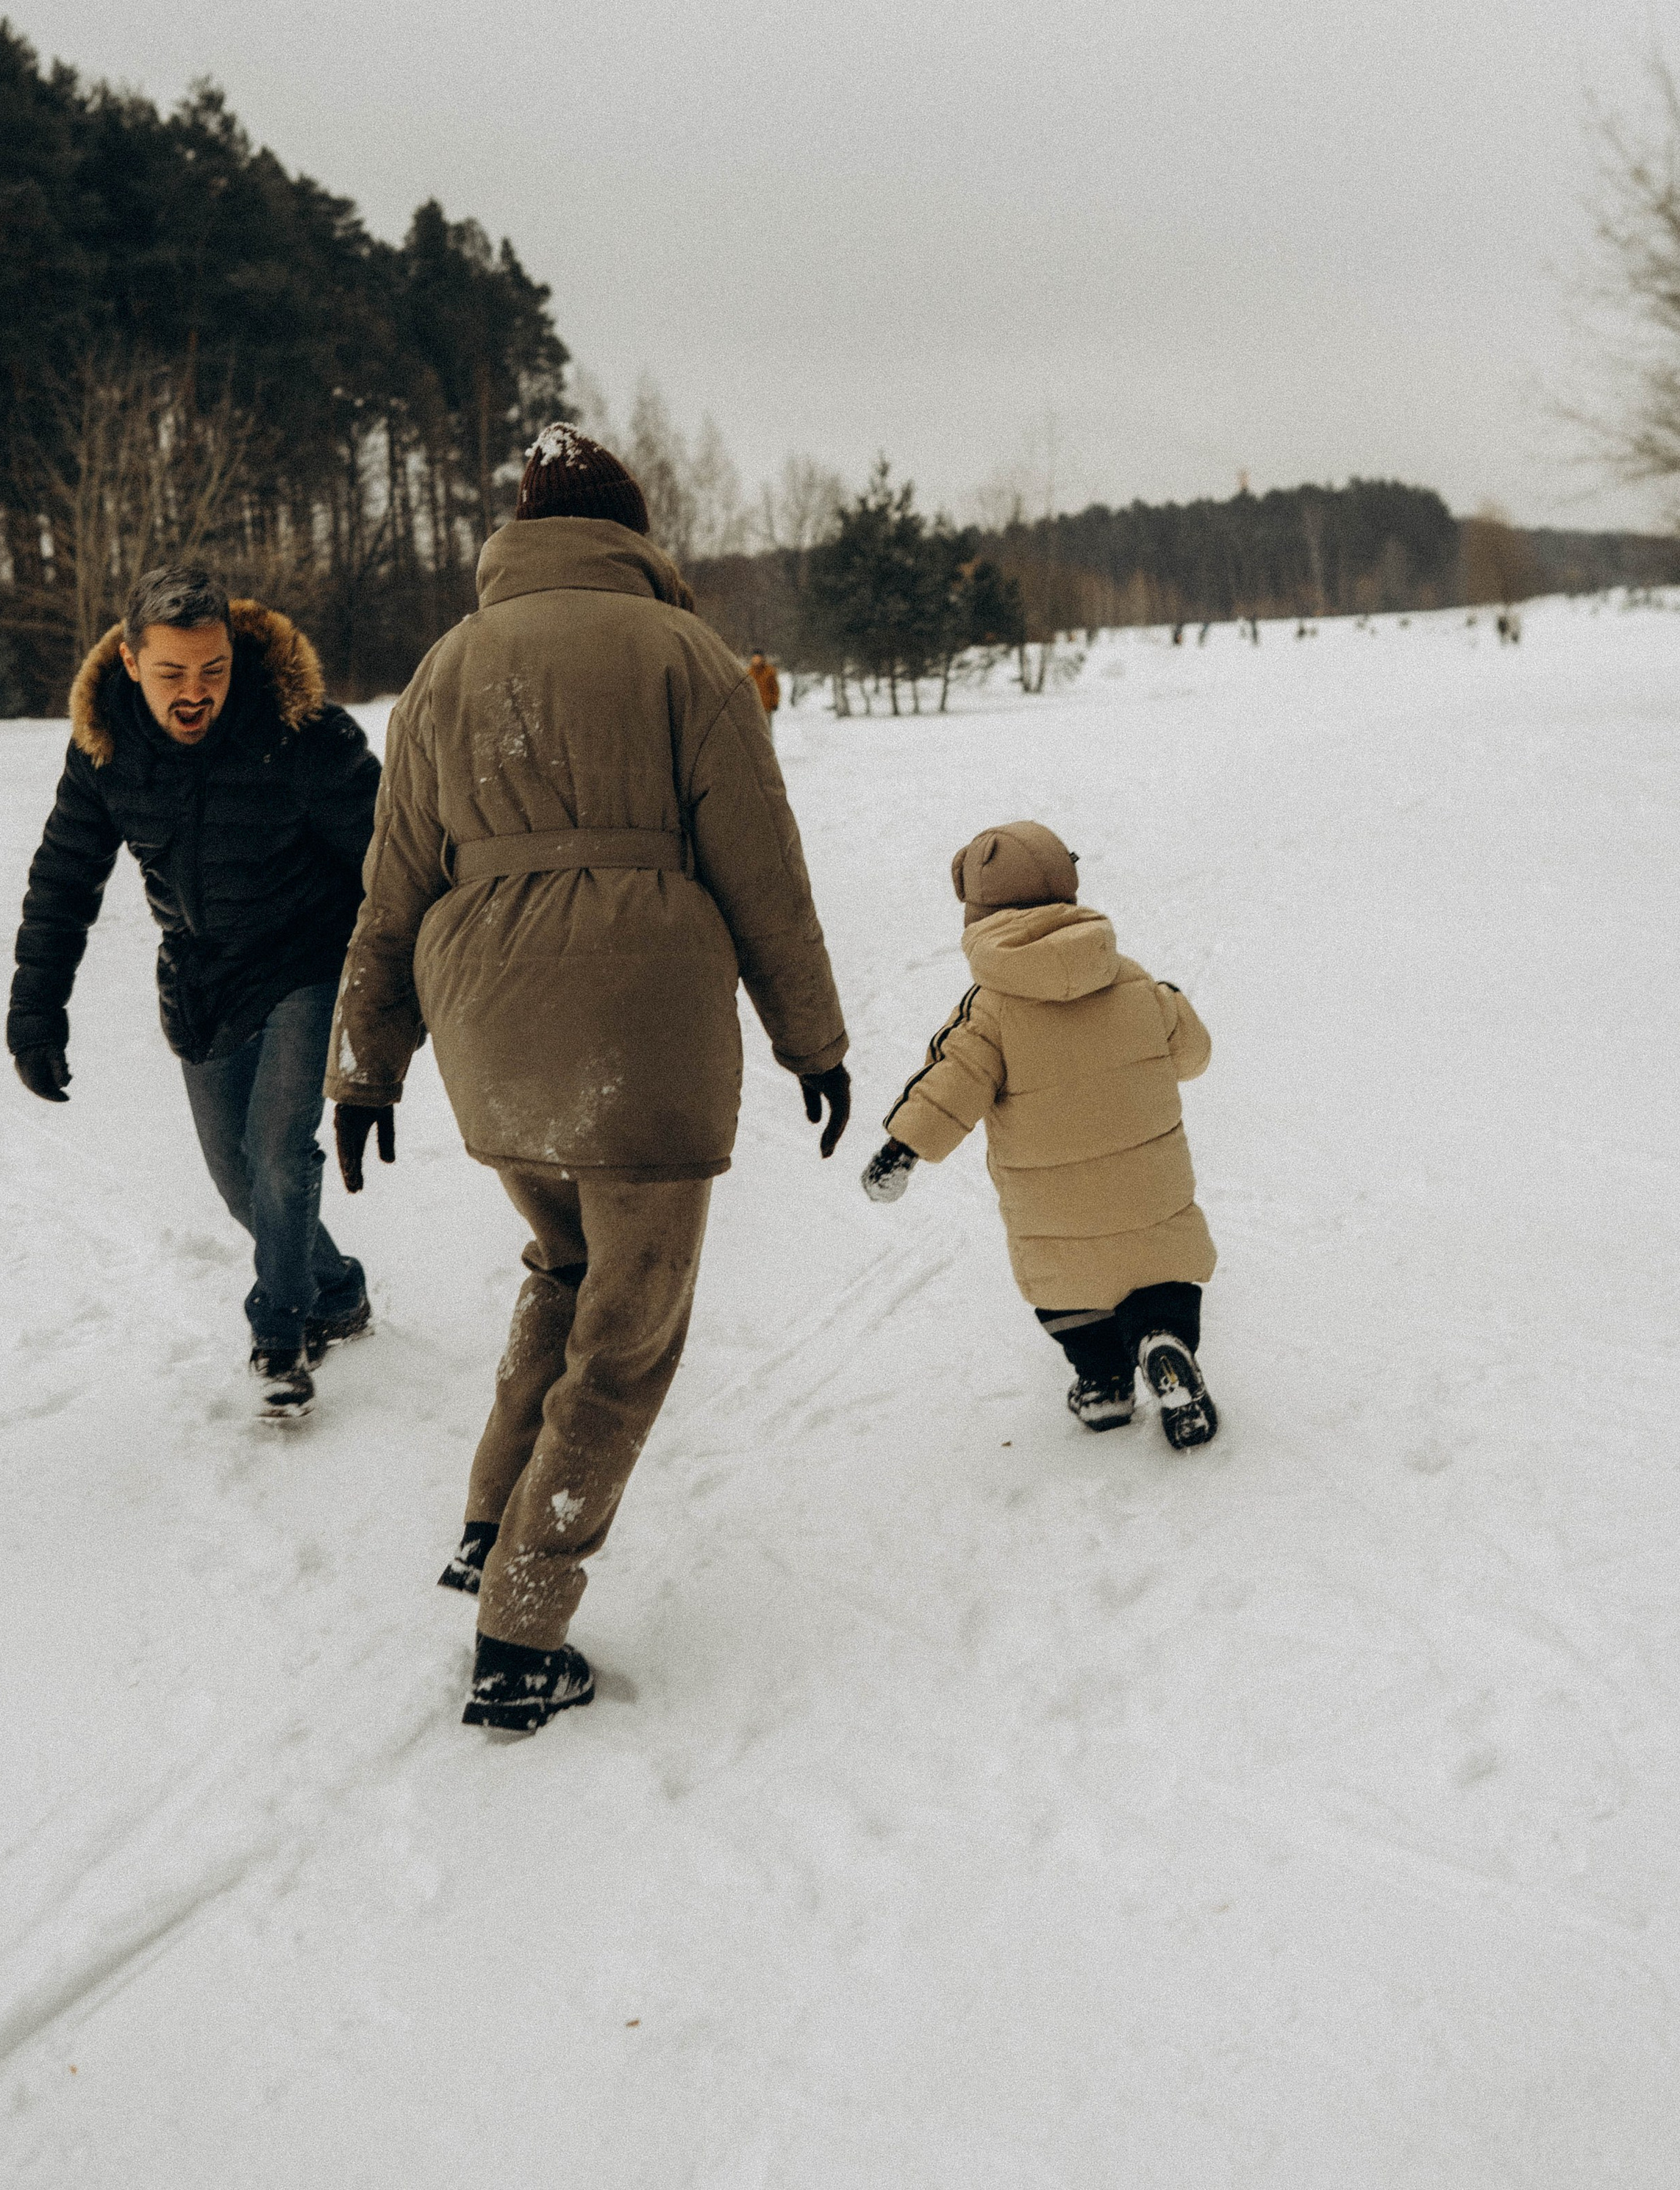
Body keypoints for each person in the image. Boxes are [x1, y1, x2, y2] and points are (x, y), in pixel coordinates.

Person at [326, 426, 850, 1733]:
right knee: (628, 1334)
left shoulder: (444, 669)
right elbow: (762, 870)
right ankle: (521, 1633)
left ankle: (487, 1516)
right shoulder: (685, 655)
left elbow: (391, 889)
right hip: (644, 1038)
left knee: (565, 1267)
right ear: (633, 535)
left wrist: (366, 1066)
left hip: (493, 1040)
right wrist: (814, 1041)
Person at [7, 565, 382, 1423]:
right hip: (203, 975)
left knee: (282, 1152)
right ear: (132, 663)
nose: (195, 693)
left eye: (212, 671)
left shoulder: (300, 732)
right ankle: (336, 1291)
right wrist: (36, 1012)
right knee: (236, 1178)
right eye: (173, 673)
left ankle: (280, 1338)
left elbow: (391, 859)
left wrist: (396, 998)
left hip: (310, 957)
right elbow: (65, 879)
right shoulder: (106, 748)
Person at [859, 821, 1219, 1449]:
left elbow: (952, 1081)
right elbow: (1193, 1054)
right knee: (1161, 1275)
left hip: (1056, 1211)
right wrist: (1170, 1005)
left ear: (977, 914)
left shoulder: (989, 1009)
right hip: (1149, 1190)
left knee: (1069, 1288)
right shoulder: (1133, 980)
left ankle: (1105, 1382)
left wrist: (903, 1147)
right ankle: (1163, 1343)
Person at [747, 647, 781, 735]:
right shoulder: (749, 672)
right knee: (755, 730)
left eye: (758, 658)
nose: (756, 661)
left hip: (766, 707)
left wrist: (775, 702)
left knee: (766, 730)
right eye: (755, 658)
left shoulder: (769, 672)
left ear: (762, 659)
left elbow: (775, 689)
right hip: (754, 707)